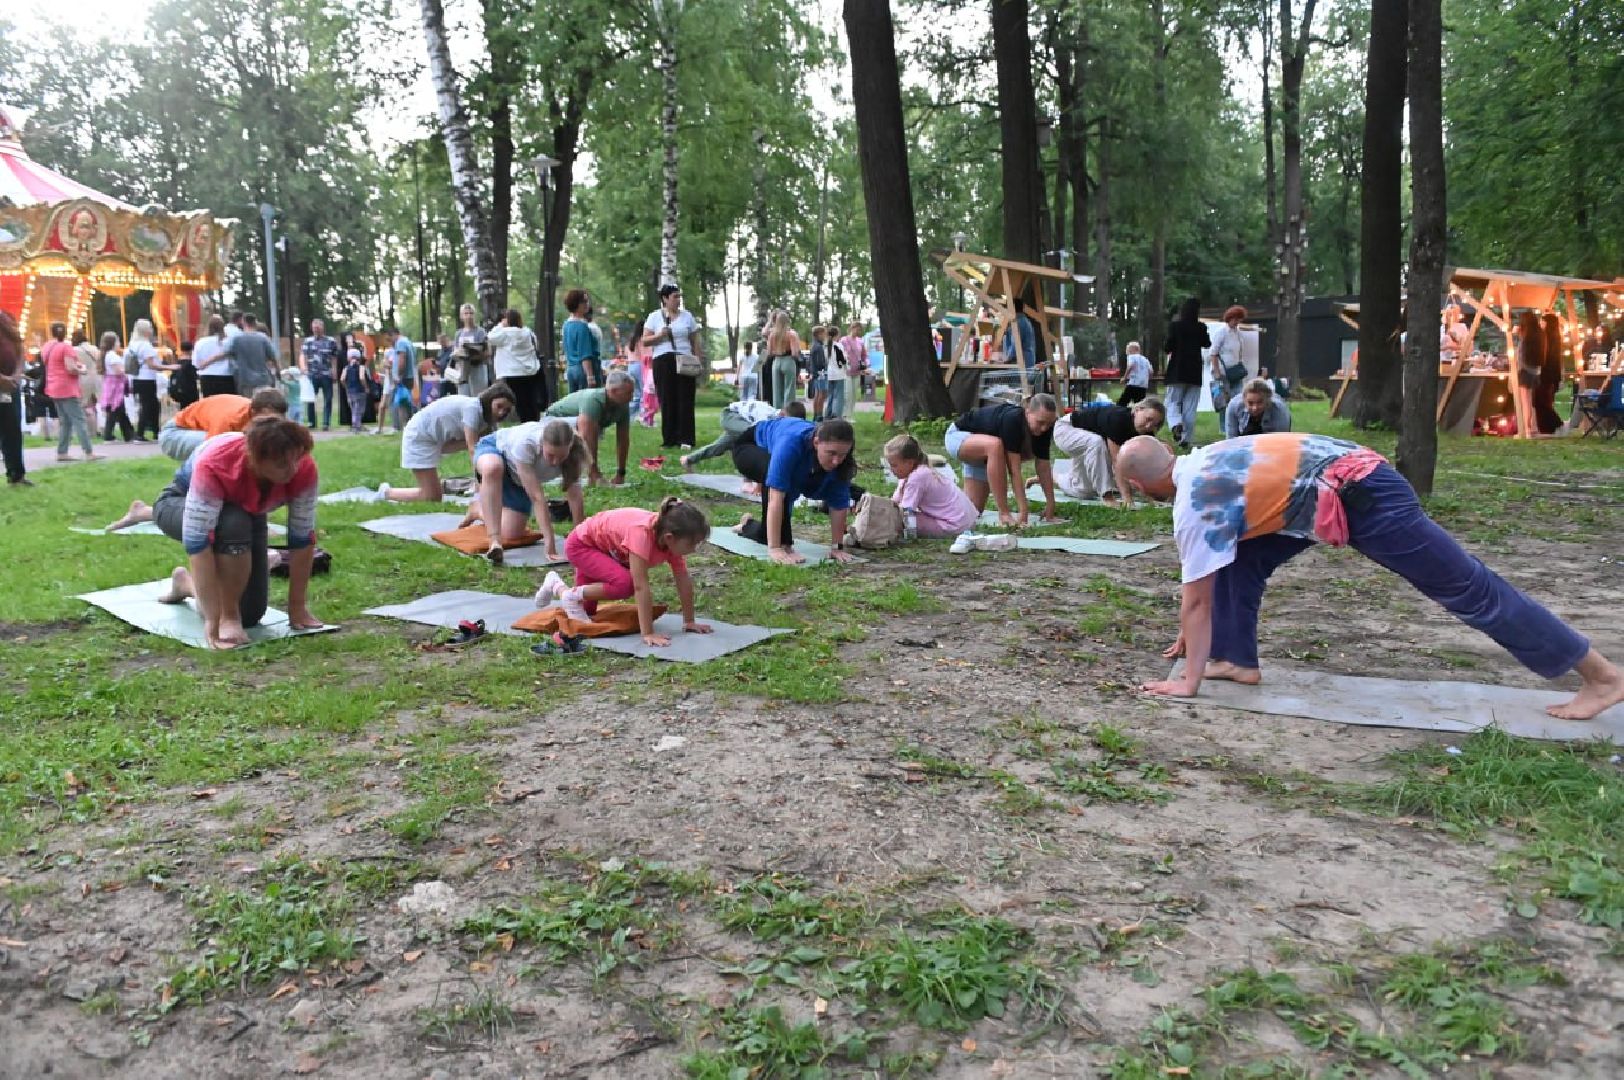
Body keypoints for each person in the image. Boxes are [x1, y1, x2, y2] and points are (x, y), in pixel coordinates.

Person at [1119, 433, 1624, 721]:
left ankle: (1601, 677)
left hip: (1367, 497)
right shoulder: (1209, 457)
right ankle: (1235, 659)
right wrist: (1195, 637)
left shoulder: (1196, 502)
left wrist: (1188, 681)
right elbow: (1207, 577)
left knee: (1470, 590)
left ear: (1140, 486)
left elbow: (1197, 600)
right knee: (1241, 559)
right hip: (1343, 483)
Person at [152, 419, 324, 650]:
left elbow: (302, 538)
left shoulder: (301, 466)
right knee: (234, 520)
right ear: (255, 460)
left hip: (247, 512)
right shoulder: (217, 463)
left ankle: (186, 585)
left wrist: (297, 608)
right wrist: (217, 621)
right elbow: (198, 543)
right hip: (177, 503)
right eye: (282, 464)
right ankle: (228, 615)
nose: (293, 469)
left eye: (296, 459)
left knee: (250, 615)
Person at [534, 498, 713, 647]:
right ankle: (570, 595)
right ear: (670, 538)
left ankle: (555, 584)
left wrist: (689, 621)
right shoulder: (642, 535)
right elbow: (640, 586)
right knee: (624, 584)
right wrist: (648, 633)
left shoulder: (669, 541)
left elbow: (683, 578)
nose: (695, 550)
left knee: (587, 611)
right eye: (692, 544)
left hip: (603, 549)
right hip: (582, 546)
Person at [730, 416, 858, 565]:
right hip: (750, 445)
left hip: (782, 451)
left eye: (842, 454)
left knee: (766, 535)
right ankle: (782, 542)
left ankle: (747, 525)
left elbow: (839, 504)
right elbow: (776, 498)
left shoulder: (841, 463)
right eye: (831, 453)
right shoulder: (791, 443)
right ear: (816, 443)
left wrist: (837, 547)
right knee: (778, 476)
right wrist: (777, 548)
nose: (837, 461)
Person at [463, 417, 588, 563]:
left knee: (512, 532)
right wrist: (550, 543)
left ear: (570, 446)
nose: (555, 462)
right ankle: (495, 541)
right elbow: (537, 497)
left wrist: (579, 537)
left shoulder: (575, 453)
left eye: (561, 456)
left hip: (517, 479)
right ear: (542, 444)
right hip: (494, 451)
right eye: (550, 455)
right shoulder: (526, 443)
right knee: (493, 467)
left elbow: (575, 496)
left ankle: (478, 509)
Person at [385, 381, 517, 502]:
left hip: (438, 441)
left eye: (506, 410)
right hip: (420, 437)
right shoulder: (473, 408)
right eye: (499, 406)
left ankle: (452, 486)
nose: (501, 413)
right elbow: (473, 450)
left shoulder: (487, 421)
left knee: (485, 443)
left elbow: (494, 448)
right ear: (489, 400)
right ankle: (386, 493)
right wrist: (480, 488)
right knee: (431, 497)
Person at [944, 395, 1061, 527]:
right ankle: (1004, 514)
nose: (1044, 428)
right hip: (959, 437)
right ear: (1028, 412)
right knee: (995, 445)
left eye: (1049, 424)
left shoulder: (1043, 428)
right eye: (1040, 422)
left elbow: (1043, 467)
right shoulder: (1013, 420)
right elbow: (1014, 472)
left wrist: (1051, 505)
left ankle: (939, 507)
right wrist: (1023, 512)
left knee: (972, 513)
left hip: (982, 455)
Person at [1052, 398, 1166, 504]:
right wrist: (1127, 498)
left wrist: (1152, 495)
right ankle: (1107, 497)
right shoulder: (1118, 419)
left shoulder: (1147, 434)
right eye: (1148, 419)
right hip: (1066, 429)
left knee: (1083, 491)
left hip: (1088, 439)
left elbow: (1144, 466)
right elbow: (1118, 462)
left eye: (1155, 424)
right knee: (1097, 443)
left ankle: (1053, 477)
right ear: (1137, 410)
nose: (1149, 425)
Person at [544, 372, 637, 485]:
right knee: (589, 427)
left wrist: (621, 473)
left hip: (574, 425)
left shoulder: (622, 405)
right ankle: (586, 472)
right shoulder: (593, 400)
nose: (632, 397)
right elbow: (587, 438)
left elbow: (623, 439)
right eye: (628, 393)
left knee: (592, 427)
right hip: (552, 423)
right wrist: (594, 473)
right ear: (613, 391)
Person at [157, 386, 290, 463]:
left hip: (201, 432)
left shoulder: (258, 415)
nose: (272, 423)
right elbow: (213, 451)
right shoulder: (230, 418)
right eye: (268, 417)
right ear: (254, 411)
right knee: (227, 446)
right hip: (175, 434)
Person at [885, 433, 977, 538]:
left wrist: (908, 535)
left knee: (897, 518)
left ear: (909, 463)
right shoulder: (913, 472)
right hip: (966, 522)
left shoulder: (917, 477)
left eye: (894, 465)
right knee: (894, 514)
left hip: (954, 525)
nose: (891, 469)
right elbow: (894, 502)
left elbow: (906, 511)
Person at [645, 284, 701, 448]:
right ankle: (669, 439)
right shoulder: (654, 317)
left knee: (686, 399)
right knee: (667, 399)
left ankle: (686, 438)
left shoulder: (687, 317)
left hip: (684, 359)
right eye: (675, 296)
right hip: (663, 360)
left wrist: (698, 359)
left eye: (679, 296)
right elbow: (645, 340)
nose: (678, 300)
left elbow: (695, 340)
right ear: (665, 298)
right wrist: (659, 335)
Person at [682, 397, 805, 472]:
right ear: (782, 415)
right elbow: (756, 441)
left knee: (720, 446)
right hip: (730, 416)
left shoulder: (778, 422)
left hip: (743, 421)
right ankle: (748, 477)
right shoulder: (766, 419)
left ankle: (688, 459)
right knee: (753, 437)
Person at [41, 322, 101, 463]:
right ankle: (89, 451)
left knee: (65, 421)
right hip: (67, 387)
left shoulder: (47, 347)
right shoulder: (66, 347)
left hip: (53, 387)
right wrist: (82, 370)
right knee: (79, 419)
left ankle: (62, 451)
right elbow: (70, 368)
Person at [1162, 297, 1209, 450]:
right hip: (1195, 371)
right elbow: (1207, 343)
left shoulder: (1175, 326)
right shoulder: (1201, 327)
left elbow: (1168, 347)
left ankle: (1176, 424)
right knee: (1190, 406)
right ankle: (1186, 439)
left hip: (1177, 369)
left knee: (1173, 401)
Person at [489, 308, 544, 421]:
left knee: (520, 404)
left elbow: (490, 337)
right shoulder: (527, 332)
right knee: (530, 402)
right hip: (530, 372)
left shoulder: (504, 333)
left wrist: (501, 325)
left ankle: (526, 426)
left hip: (512, 373)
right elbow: (536, 345)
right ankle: (534, 424)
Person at [126, 319, 176, 442]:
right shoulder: (145, 346)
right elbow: (152, 365)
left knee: (150, 405)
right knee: (148, 406)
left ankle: (154, 431)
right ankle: (141, 433)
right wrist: (169, 367)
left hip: (136, 378)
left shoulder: (132, 345)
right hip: (147, 378)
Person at [1, 310, 30, 485]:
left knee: (12, 430)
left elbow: (19, 346)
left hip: (11, 386)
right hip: (4, 382)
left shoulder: (6, 317)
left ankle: (16, 475)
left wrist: (17, 375)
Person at [222, 313, 278, 396]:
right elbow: (273, 357)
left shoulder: (236, 338)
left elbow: (227, 352)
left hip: (244, 379)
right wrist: (278, 370)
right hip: (263, 379)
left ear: (243, 322)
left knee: (247, 405)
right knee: (262, 405)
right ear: (255, 323)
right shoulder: (263, 338)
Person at [300, 318, 340, 429]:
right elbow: (303, 355)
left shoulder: (331, 341)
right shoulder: (308, 341)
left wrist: (334, 371)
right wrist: (304, 369)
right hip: (312, 374)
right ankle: (312, 423)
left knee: (328, 399)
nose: (316, 330)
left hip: (326, 374)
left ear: (322, 328)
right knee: (310, 399)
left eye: (318, 328)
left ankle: (326, 423)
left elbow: (334, 358)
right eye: (314, 328)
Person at [1222, 378, 1292, 439]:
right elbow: (1231, 440)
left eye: (1259, 402)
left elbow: (1281, 442)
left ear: (1267, 400)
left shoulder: (1279, 410)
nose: (1255, 408)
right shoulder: (1233, 406)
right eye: (1250, 403)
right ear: (1244, 400)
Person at [1208, 305, 1248, 410]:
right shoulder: (1221, 332)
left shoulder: (1238, 333)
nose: (1236, 321)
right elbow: (1213, 353)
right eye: (1235, 319)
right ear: (1229, 318)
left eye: (1239, 319)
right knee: (1223, 403)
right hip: (1222, 373)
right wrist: (1217, 373)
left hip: (1236, 372)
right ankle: (1224, 426)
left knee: (1238, 401)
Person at [762, 311, 803, 410]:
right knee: (789, 388)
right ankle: (788, 411)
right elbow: (794, 353)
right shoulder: (791, 334)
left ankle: (778, 411)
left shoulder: (772, 335)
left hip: (776, 361)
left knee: (776, 389)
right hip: (788, 360)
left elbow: (769, 352)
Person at [562, 289, 600, 394]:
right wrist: (590, 376)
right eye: (584, 301)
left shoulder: (566, 325)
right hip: (583, 371)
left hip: (571, 369)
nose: (587, 304)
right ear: (577, 304)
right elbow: (585, 354)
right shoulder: (582, 326)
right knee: (588, 405)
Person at [99, 331, 133, 443]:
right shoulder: (112, 356)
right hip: (116, 385)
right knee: (115, 409)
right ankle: (110, 435)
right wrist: (127, 369)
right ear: (113, 343)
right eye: (118, 341)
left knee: (118, 410)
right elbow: (118, 371)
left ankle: (128, 433)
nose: (119, 343)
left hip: (113, 384)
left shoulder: (107, 355)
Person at [1514, 310, 1544, 435]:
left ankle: (1526, 428)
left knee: (1525, 401)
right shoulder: (1540, 334)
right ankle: (1532, 427)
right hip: (1536, 370)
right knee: (1530, 401)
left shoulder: (1525, 336)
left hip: (1525, 370)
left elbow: (1521, 354)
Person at [1535, 312, 1564, 435]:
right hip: (1551, 374)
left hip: (1546, 374)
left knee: (1540, 401)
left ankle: (1555, 423)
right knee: (1544, 401)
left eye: (1543, 321)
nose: (1541, 324)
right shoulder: (1555, 337)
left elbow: (1547, 358)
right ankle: (1548, 427)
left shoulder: (1547, 338)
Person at [452, 303, 491, 395]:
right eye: (466, 313)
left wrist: (474, 354)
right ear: (461, 316)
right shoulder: (458, 333)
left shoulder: (480, 331)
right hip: (463, 370)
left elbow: (487, 352)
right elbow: (455, 350)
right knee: (463, 397)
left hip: (477, 368)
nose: (469, 316)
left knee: (478, 396)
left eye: (471, 313)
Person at [194, 315, 235, 398]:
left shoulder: (201, 342)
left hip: (207, 377)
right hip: (226, 376)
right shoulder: (228, 341)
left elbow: (196, 363)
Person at [387, 330, 418, 432]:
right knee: (407, 402)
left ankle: (401, 426)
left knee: (401, 402)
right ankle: (410, 425)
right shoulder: (408, 342)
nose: (390, 342)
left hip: (403, 378)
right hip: (409, 376)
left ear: (394, 335)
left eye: (389, 339)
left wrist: (399, 376)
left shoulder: (400, 343)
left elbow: (402, 360)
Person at [74, 329, 102, 431]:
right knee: (95, 405)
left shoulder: (75, 350)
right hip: (96, 378)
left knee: (85, 405)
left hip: (83, 378)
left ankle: (88, 430)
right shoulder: (95, 349)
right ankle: (97, 428)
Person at [1003, 296, 1040, 373]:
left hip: (1020, 366)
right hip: (1028, 363)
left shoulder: (1017, 324)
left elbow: (1015, 346)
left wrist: (1007, 358)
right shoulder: (1026, 322)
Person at [838, 322, 867, 416]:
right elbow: (839, 354)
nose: (858, 331)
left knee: (854, 394)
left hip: (857, 371)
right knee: (847, 394)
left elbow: (864, 355)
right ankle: (844, 414)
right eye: (857, 329)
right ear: (852, 328)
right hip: (846, 371)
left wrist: (865, 364)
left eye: (860, 330)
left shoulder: (860, 341)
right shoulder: (843, 340)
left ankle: (850, 414)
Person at [341, 348, 370, 433]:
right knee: (359, 409)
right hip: (359, 390)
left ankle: (356, 424)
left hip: (350, 391)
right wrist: (366, 387)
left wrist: (346, 387)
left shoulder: (346, 368)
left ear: (348, 358)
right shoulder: (361, 367)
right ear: (359, 358)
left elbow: (342, 379)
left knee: (353, 408)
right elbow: (362, 377)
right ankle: (356, 426)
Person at [823, 328, 848, 419]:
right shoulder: (838, 346)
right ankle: (837, 415)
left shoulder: (826, 346)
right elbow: (842, 360)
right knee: (839, 396)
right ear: (836, 335)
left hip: (830, 374)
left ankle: (828, 414)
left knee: (831, 395)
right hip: (839, 373)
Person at [808, 325, 831, 419]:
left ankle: (816, 414)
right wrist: (825, 368)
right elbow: (820, 362)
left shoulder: (815, 345)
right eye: (823, 333)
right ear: (818, 334)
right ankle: (819, 414)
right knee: (821, 394)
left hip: (816, 373)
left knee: (818, 394)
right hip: (820, 373)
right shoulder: (818, 347)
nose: (825, 336)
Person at [1119, 341, 1152, 406]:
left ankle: (1119, 414)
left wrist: (1124, 377)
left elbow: (1130, 366)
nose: (1127, 352)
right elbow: (1151, 371)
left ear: (1132, 350)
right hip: (1143, 385)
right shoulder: (1145, 359)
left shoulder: (1132, 356)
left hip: (1134, 383)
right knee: (1139, 404)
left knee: (1123, 401)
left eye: (1128, 350)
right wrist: (1147, 379)